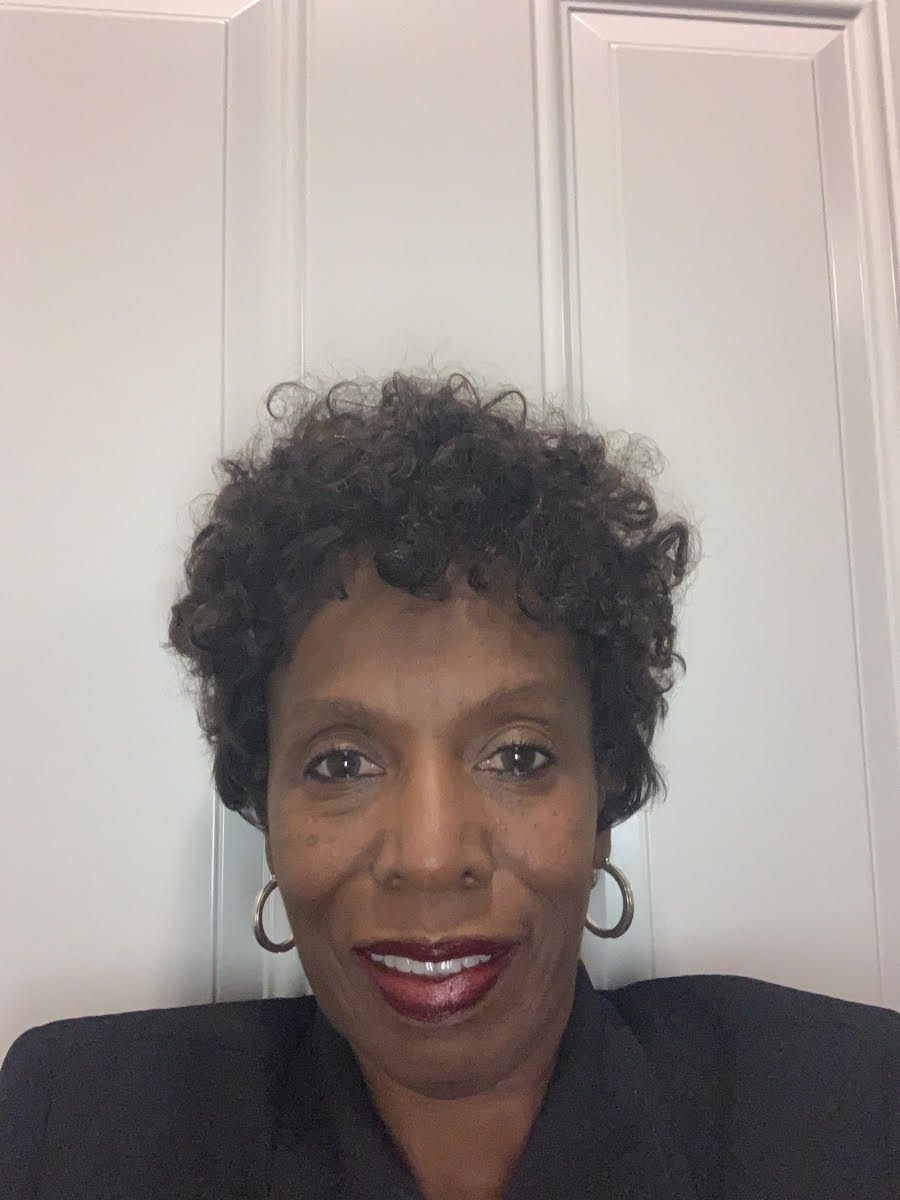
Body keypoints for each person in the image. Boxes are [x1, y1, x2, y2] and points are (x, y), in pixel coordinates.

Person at [1, 372, 896, 1200]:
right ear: (264, 810)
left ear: (602, 802)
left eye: (517, 755)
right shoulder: (75, 1135)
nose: (430, 859)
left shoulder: (847, 1115)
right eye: (341, 763)